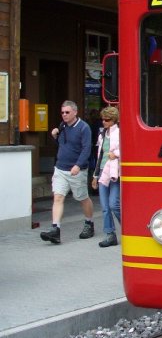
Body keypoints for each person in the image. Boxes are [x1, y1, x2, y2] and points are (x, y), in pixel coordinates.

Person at [40, 100, 95, 244]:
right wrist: (55, 137)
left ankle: (89, 223)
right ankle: (55, 229)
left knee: (82, 198)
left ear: (75, 112)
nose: (64, 115)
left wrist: (78, 165)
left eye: (67, 112)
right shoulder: (62, 126)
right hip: (60, 168)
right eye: (62, 112)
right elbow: (63, 146)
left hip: (76, 170)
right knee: (58, 197)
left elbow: (86, 149)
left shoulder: (84, 128)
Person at [92, 106, 121, 247]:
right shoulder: (102, 134)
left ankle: (129, 230)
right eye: (102, 119)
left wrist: (116, 154)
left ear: (113, 120)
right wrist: (95, 175)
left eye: (107, 119)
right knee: (105, 207)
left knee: (113, 204)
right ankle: (110, 234)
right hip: (103, 171)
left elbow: (126, 149)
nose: (104, 122)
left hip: (115, 172)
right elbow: (99, 155)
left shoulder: (120, 133)